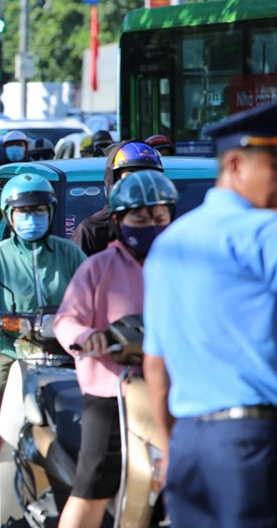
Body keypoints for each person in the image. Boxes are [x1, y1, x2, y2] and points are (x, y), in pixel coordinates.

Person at [143, 102, 277, 528]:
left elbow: (156, 365)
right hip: (256, 443)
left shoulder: (171, 242)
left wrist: (170, 448)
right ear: (236, 164)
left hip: (190, 447)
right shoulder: (265, 232)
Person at [54, 170, 178, 528]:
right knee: (94, 482)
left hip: (175, 388)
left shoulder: (182, 267)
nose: (150, 224)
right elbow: (67, 321)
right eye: (139, 217)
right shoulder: (98, 268)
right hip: (112, 391)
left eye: (159, 216)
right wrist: (87, 336)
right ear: (118, 220)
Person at [0, 173, 86, 523]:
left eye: (39, 210)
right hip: (9, 348)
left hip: (63, 350)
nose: (33, 217)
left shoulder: (69, 253)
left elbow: (91, 294)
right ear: (9, 216)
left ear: (51, 212)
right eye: (24, 211)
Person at [71, 141, 164, 256]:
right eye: (131, 175)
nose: (140, 182)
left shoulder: (164, 227)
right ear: (114, 180)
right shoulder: (91, 231)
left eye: (147, 175)